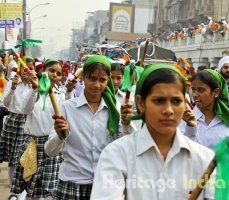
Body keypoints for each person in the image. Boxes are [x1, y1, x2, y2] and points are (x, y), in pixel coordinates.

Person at [90, 64, 229, 199]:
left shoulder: (204, 159)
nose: (168, 110)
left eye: (176, 101)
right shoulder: (117, 155)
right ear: (141, 103)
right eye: (159, 101)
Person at [44, 55, 136, 200]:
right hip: (72, 184)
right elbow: (50, 151)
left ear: (108, 81)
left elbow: (129, 146)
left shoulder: (117, 110)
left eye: (102, 80)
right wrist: (61, 135)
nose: (96, 85)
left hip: (105, 186)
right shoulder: (67, 108)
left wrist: (126, 123)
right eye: (92, 78)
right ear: (83, 78)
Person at [181, 69, 229, 173]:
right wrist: (190, 129)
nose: (195, 95)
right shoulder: (184, 121)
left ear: (216, 92)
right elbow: (182, 160)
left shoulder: (228, 126)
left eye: (201, 90)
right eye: (193, 90)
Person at [11, 59, 65, 199]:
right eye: (51, 71)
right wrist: (35, 89)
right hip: (32, 145)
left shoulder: (61, 95)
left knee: (50, 189)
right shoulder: (31, 91)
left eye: (58, 73)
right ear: (43, 72)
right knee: (31, 188)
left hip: (52, 145)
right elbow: (25, 109)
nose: (54, 75)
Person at [0, 56, 36, 200]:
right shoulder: (12, 82)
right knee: (12, 159)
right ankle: (14, 191)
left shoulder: (37, 85)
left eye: (31, 69)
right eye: (25, 69)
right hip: (13, 121)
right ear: (20, 70)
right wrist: (13, 87)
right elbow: (6, 102)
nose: (27, 72)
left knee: (24, 158)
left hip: (28, 123)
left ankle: (22, 191)